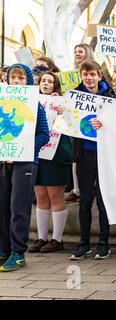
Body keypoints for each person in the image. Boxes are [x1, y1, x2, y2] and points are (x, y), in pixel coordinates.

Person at [0, 64, 50, 271]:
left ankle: (18, 252)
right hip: (4, 162)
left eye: (21, 78)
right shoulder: (2, 104)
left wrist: (23, 149)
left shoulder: (36, 105)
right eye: (13, 78)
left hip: (26, 163)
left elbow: (44, 135)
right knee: (2, 207)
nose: (17, 82)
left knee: (18, 208)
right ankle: (3, 250)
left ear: (28, 81)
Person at [69, 60, 113, 261]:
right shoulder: (73, 96)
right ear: (81, 76)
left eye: (92, 74)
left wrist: (104, 123)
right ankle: (83, 243)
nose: (89, 78)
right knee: (85, 200)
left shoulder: (111, 97)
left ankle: (104, 243)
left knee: (103, 201)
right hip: (84, 154)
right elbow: (67, 121)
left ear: (99, 76)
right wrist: (61, 111)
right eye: (85, 74)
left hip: (104, 155)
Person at [29, 71, 72, 253]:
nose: (46, 83)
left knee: (55, 196)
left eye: (50, 81)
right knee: (40, 196)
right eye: (43, 81)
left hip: (56, 154)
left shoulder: (62, 102)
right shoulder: (31, 101)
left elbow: (71, 124)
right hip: (38, 153)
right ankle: (41, 237)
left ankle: (57, 239)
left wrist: (64, 111)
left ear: (55, 86)